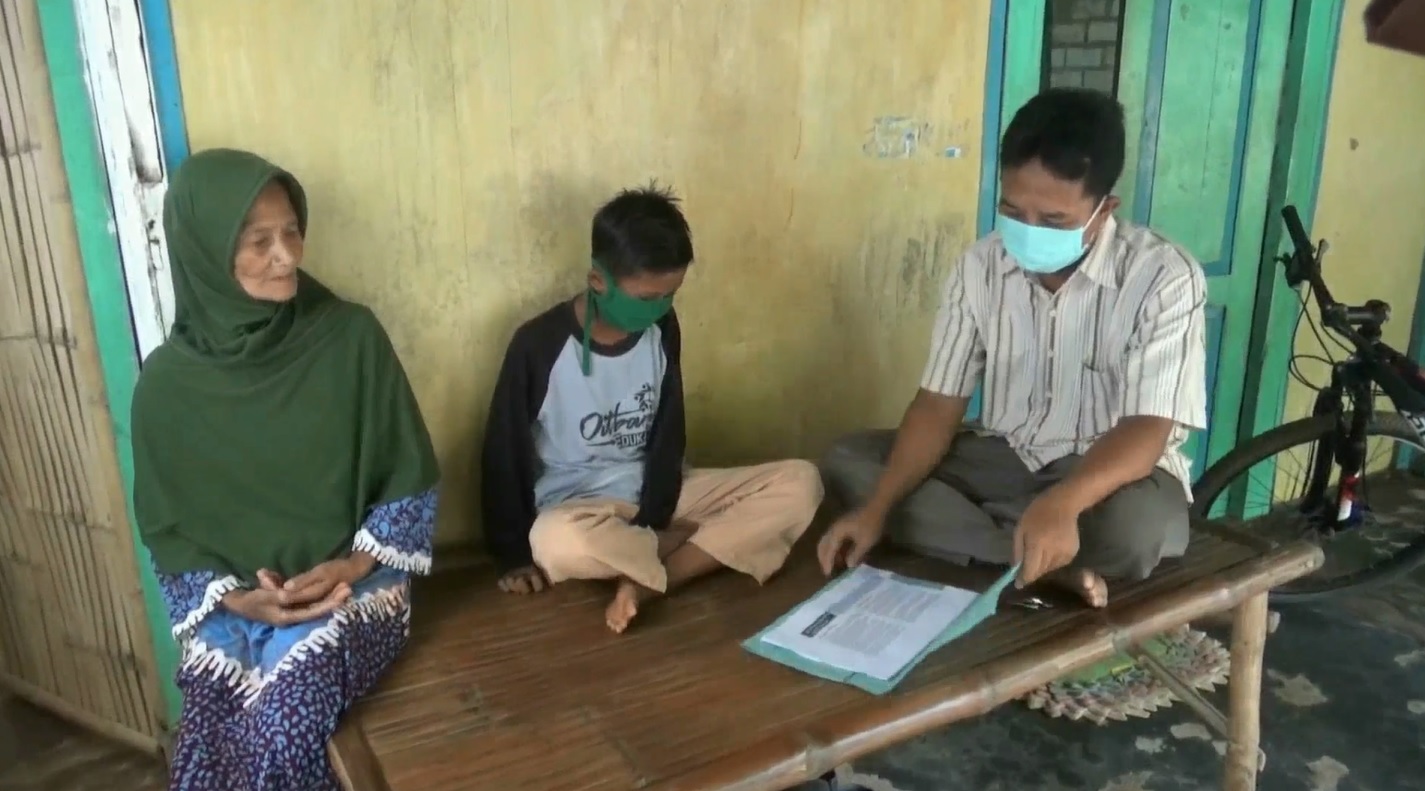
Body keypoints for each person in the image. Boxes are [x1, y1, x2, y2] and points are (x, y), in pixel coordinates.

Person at [818, 88, 1207, 608]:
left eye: (1053, 221)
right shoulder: (980, 266)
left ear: (1104, 209)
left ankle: (1009, 543)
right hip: (1005, 456)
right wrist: (877, 507)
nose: (1027, 232)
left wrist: (1065, 503)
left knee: (1138, 533)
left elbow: (1148, 428)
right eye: (1012, 210)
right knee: (849, 463)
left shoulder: (1163, 276)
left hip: (1107, 477)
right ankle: (1044, 565)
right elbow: (938, 403)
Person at [131, 149, 440, 791]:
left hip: (352, 588)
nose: (288, 255)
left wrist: (352, 564)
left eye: (292, 231)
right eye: (259, 241)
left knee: (288, 723)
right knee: (203, 757)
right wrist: (242, 599)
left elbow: (410, 477)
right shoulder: (165, 387)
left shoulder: (349, 337)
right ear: (207, 254)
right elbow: (170, 534)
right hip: (234, 608)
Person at [480, 184, 824, 633]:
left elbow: (669, 425)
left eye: (671, 295)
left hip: (661, 492)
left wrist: (656, 513)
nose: (660, 309)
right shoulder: (538, 345)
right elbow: (503, 449)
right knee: (554, 544)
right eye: (646, 298)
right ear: (598, 280)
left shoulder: (662, 327)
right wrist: (512, 555)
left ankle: (651, 578)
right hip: (580, 507)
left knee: (803, 482)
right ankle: (686, 548)